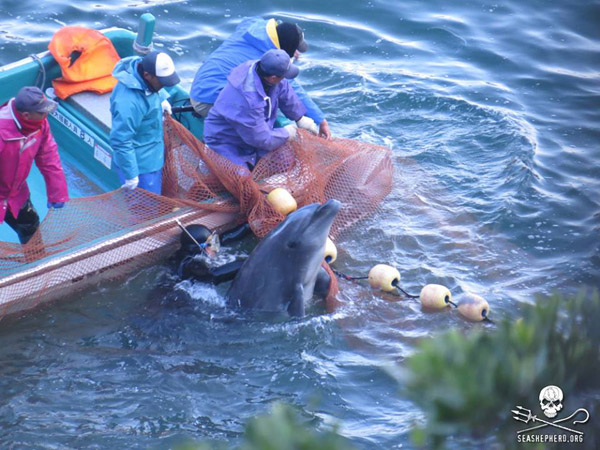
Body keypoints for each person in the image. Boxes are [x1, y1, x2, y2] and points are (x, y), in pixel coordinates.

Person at [190, 16, 331, 139]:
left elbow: (252, 19)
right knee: (268, 99)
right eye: (292, 49)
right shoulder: (265, 60)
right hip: (207, 101)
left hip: (199, 87)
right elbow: (292, 88)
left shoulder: (253, 28)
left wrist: (286, 48)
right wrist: (320, 120)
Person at [203, 49, 317, 168]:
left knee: (286, 161)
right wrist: (286, 133)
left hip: (254, 133)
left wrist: (300, 117)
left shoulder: (262, 69)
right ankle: (211, 160)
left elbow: (284, 89)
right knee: (240, 178)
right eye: (283, 76)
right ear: (273, 78)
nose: (284, 79)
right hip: (226, 141)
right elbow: (261, 139)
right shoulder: (248, 100)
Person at [0, 86, 69, 244]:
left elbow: (49, 156)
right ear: (26, 115)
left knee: (30, 225)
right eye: (42, 112)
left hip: (17, 193)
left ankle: (37, 263)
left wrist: (57, 192)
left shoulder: (40, 124)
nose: (46, 115)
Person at [109, 50, 180, 194]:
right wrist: (131, 175)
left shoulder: (143, 72)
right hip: (141, 167)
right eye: (162, 82)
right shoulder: (128, 103)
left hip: (153, 154)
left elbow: (151, 90)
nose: (164, 86)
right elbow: (121, 140)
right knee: (144, 211)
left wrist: (162, 98)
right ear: (147, 75)